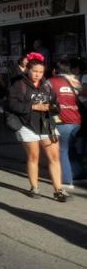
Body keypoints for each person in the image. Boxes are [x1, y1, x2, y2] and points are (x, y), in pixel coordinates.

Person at [7, 54, 67, 202]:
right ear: (28, 69)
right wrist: (33, 106)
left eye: (40, 72)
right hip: (26, 125)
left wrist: (51, 107)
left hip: (46, 124)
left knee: (54, 157)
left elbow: (56, 105)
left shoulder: (47, 85)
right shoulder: (18, 84)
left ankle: (58, 190)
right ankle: (34, 187)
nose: (37, 74)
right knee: (33, 157)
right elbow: (12, 105)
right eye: (34, 71)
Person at [49, 60, 81, 190]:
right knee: (71, 147)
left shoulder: (51, 82)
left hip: (62, 119)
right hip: (76, 119)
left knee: (62, 150)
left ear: (55, 70)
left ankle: (67, 180)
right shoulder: (75, 81)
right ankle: (77, 173)